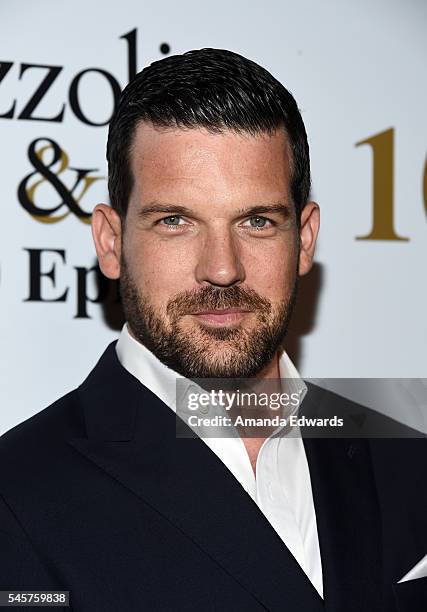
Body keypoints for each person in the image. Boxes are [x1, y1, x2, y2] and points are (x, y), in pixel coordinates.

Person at [0, 48, 426, 612]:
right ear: (110, 241)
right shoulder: (17, 495)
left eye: (257, 221)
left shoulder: (403, 460)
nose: (222, 268)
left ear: (305, 238)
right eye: (175, 221)